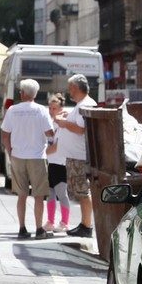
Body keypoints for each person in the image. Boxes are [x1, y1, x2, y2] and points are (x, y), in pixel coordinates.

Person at [0, 78, 55, 239]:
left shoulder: (12, 110)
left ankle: (22, 228)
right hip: (37, 156)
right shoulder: (41, 110)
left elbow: (5, 135)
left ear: (23, 93)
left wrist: (10, 152)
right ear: (35, 93)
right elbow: (50, 133)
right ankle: (39, 229)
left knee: (21, 195)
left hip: (18, 156)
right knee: (39, 195)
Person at [55, 74, 97, 238]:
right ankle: (84, 224)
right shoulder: (81, 104)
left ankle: (87, 226)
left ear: (76, 88)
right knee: (80, 192)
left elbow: (80, 129)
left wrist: (64, 123)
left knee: (82, 191)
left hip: (79, 157)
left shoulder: (85, 104)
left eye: (70, 88)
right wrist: (67, 118)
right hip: (75, 156)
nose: (69, 92)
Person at [43, 94, 72, 234]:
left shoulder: (63, 123)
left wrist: (42, 153)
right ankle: (50, 221)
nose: (51, 110)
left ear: (61, 108)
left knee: (62, 193)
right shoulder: (51, 122)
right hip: (51, 162)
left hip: (60, 162)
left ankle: (65, 222)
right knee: (50, 193)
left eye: (54, 108)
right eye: (50, 107)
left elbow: (57, 146)